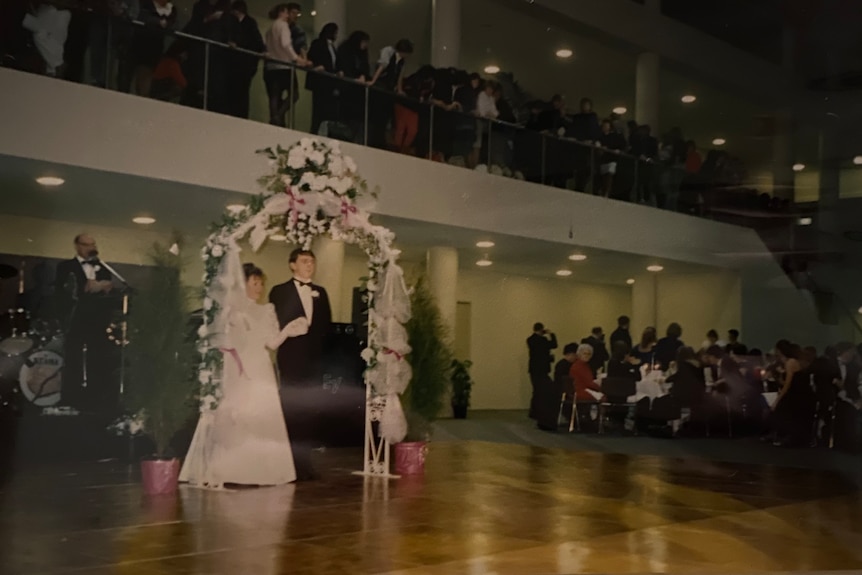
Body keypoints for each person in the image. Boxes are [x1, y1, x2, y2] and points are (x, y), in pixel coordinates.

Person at [180, 262, 297, 488]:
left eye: (261, 283)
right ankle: (230, 467)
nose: (259, 288)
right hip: (238, 367)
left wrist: (287, 331)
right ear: (242, 284)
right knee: (238, 414)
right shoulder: (229, 311)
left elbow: (270, 343)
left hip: (261, 367)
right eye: (255, 282)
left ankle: (264, 470)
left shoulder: (267, 309)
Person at [269, 249, 332, 480]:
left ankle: (305, 463)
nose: (309, 266)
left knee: (310, 412)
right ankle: (288, 463)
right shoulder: (279, 291)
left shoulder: (321, 292)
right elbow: (277, 322)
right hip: (291, 359)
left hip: (314, 362)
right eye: (304, 261)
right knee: (291, 409)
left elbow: (326, 328)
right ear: (292, 265)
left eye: (312, 262)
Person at [54, 234, 118, 415]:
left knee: (98, 359)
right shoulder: (66, 267)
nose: (91, 247)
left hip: (98, 322)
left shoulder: (103, 267)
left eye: (93, 244)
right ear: (77, 246)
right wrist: (87, 287)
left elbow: (108, 292)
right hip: (75, 320)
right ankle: (71, 399)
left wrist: (104, 288)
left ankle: (96, 400)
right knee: (73, 358)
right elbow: (62, 292)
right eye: (86, 244)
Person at [264, 3, 309, 126]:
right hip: (284, 65)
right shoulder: (283, 26)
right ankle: (278, 116)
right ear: (284, 12)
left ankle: (274, 117)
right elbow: (286, 45)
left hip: (271, 65)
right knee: (294, 94)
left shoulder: (271, 27)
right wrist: (297, 58)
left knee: (274, 95)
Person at [226, 0, 266, 119]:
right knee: (240, 92)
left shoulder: (247, 24)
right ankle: (239, 115)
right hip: (244, 64)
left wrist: (237, 45)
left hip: (243, 64)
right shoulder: (248, 23)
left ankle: (238, 115)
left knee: (239, 91)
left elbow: (256, 42)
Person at [306, 22, 341, 134]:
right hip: (320, 82)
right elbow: (312, 56)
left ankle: (324, 132)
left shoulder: (333, 47)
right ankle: (315, 131)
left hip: (329, 82)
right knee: (319, 109)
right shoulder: (318, 43)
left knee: (327, 111)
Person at [526, 322, 557, 419]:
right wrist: (551, 334)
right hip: (542, 368)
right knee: (542, 390)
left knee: (536, 390)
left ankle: (534, 411)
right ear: (541, 330)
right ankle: (537, 411)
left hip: (534, 368)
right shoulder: (543, 340)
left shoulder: (530, 340)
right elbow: (554, 345)